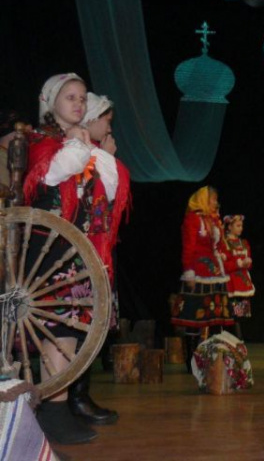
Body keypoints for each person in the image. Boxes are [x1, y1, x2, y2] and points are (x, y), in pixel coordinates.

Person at [23, 73, 118, 444]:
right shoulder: (40, 141)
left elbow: (110, 188)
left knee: (73, 329)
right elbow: (54, 173)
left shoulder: (79, 144)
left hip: (77, 249)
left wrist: (96, 152)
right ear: (50, 103)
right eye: (70, 97)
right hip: (49, 248)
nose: (79, 103)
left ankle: (59, 408)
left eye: (82, 97)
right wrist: (83, 147)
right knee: (57, 329)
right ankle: (52, 410)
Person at [61, 93, 131, 427]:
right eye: (105, 119)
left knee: (92, 325)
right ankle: (73, 396)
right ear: (90, 120)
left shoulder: (97, 157)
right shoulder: (82, 157)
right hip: (80, 252)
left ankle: (80, 393)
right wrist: (107, 157)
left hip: (98, 250)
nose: (109, 125)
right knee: (78, 325)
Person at [171, 186, 234, 371]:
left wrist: (222, 256)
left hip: (215, 273)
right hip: (198, 274)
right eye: (213, 199)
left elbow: (218, 245)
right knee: (194, 320)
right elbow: (188, 247)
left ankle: (214, 359)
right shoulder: (193, 219)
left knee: (216, 320)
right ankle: (191, 362)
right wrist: (189, 271)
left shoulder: (213, 219)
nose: (216, 202)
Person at [218, 214, 256, 340]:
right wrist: (238, 263)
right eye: (238, 226)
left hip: (243, 286)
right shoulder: (224, 243)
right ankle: (235, 342)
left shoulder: (244, 243)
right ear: (229, 227)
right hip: (231, 286)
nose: (241, 228)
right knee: (231, 317)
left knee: (240, 317)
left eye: (242, 226)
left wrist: (247, 262)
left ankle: (238, 343)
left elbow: (248, 265)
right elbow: (224, 265)